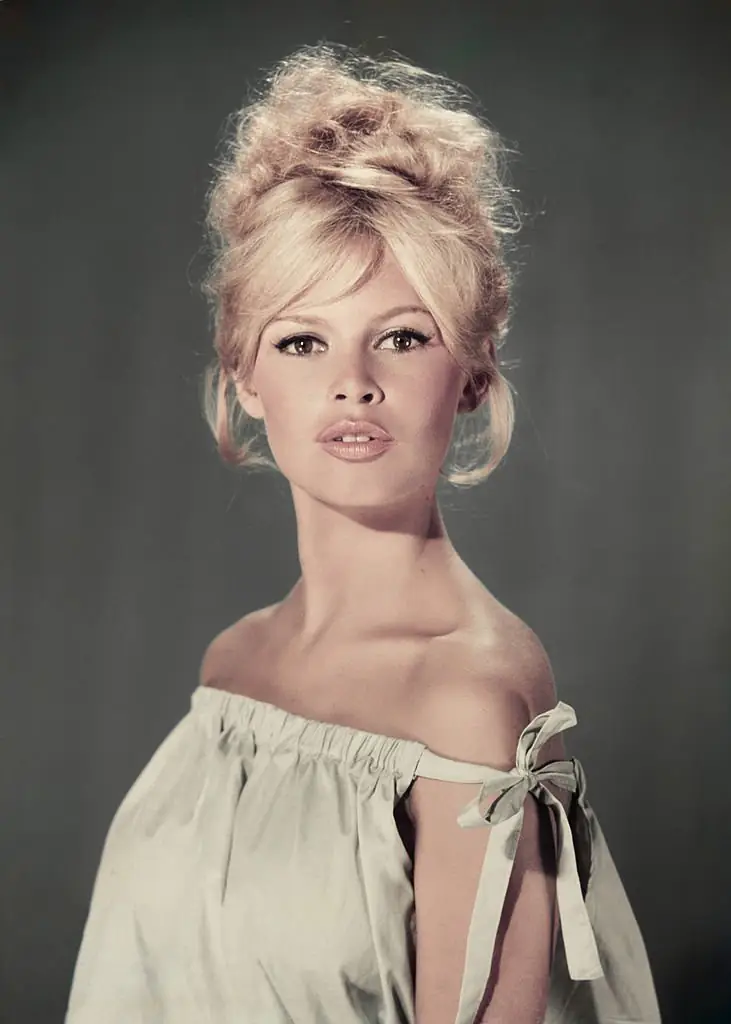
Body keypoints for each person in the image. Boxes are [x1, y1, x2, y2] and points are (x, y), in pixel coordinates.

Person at [65, 42, 662, 1024]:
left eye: (402, 336)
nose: (352, 383)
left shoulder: (468, 700)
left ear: (471, 373)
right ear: (244, 376)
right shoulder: (232, 667)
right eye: (303, 340)